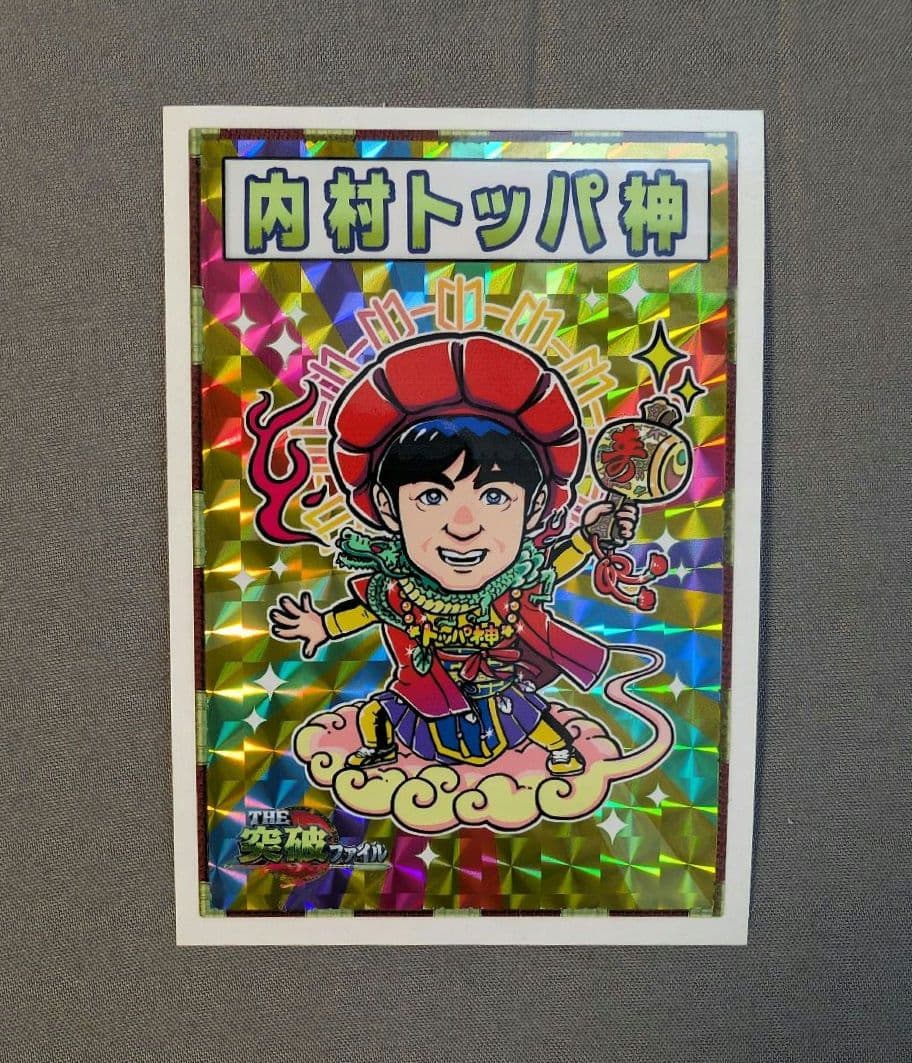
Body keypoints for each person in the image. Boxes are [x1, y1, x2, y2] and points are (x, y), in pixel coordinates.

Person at [269, 333, 636, 776]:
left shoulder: (517, 579)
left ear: (535, 506)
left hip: (496, 681)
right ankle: (382, 749)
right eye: (431, 497)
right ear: (388, 507)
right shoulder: (400, 590)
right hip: (426, 686)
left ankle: (561, 751)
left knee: (528, 715)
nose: (463, 527)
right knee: (377, 713)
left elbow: (553, 565)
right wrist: (323, 626)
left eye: (495, 497)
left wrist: (589, 535)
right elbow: (365, 611)